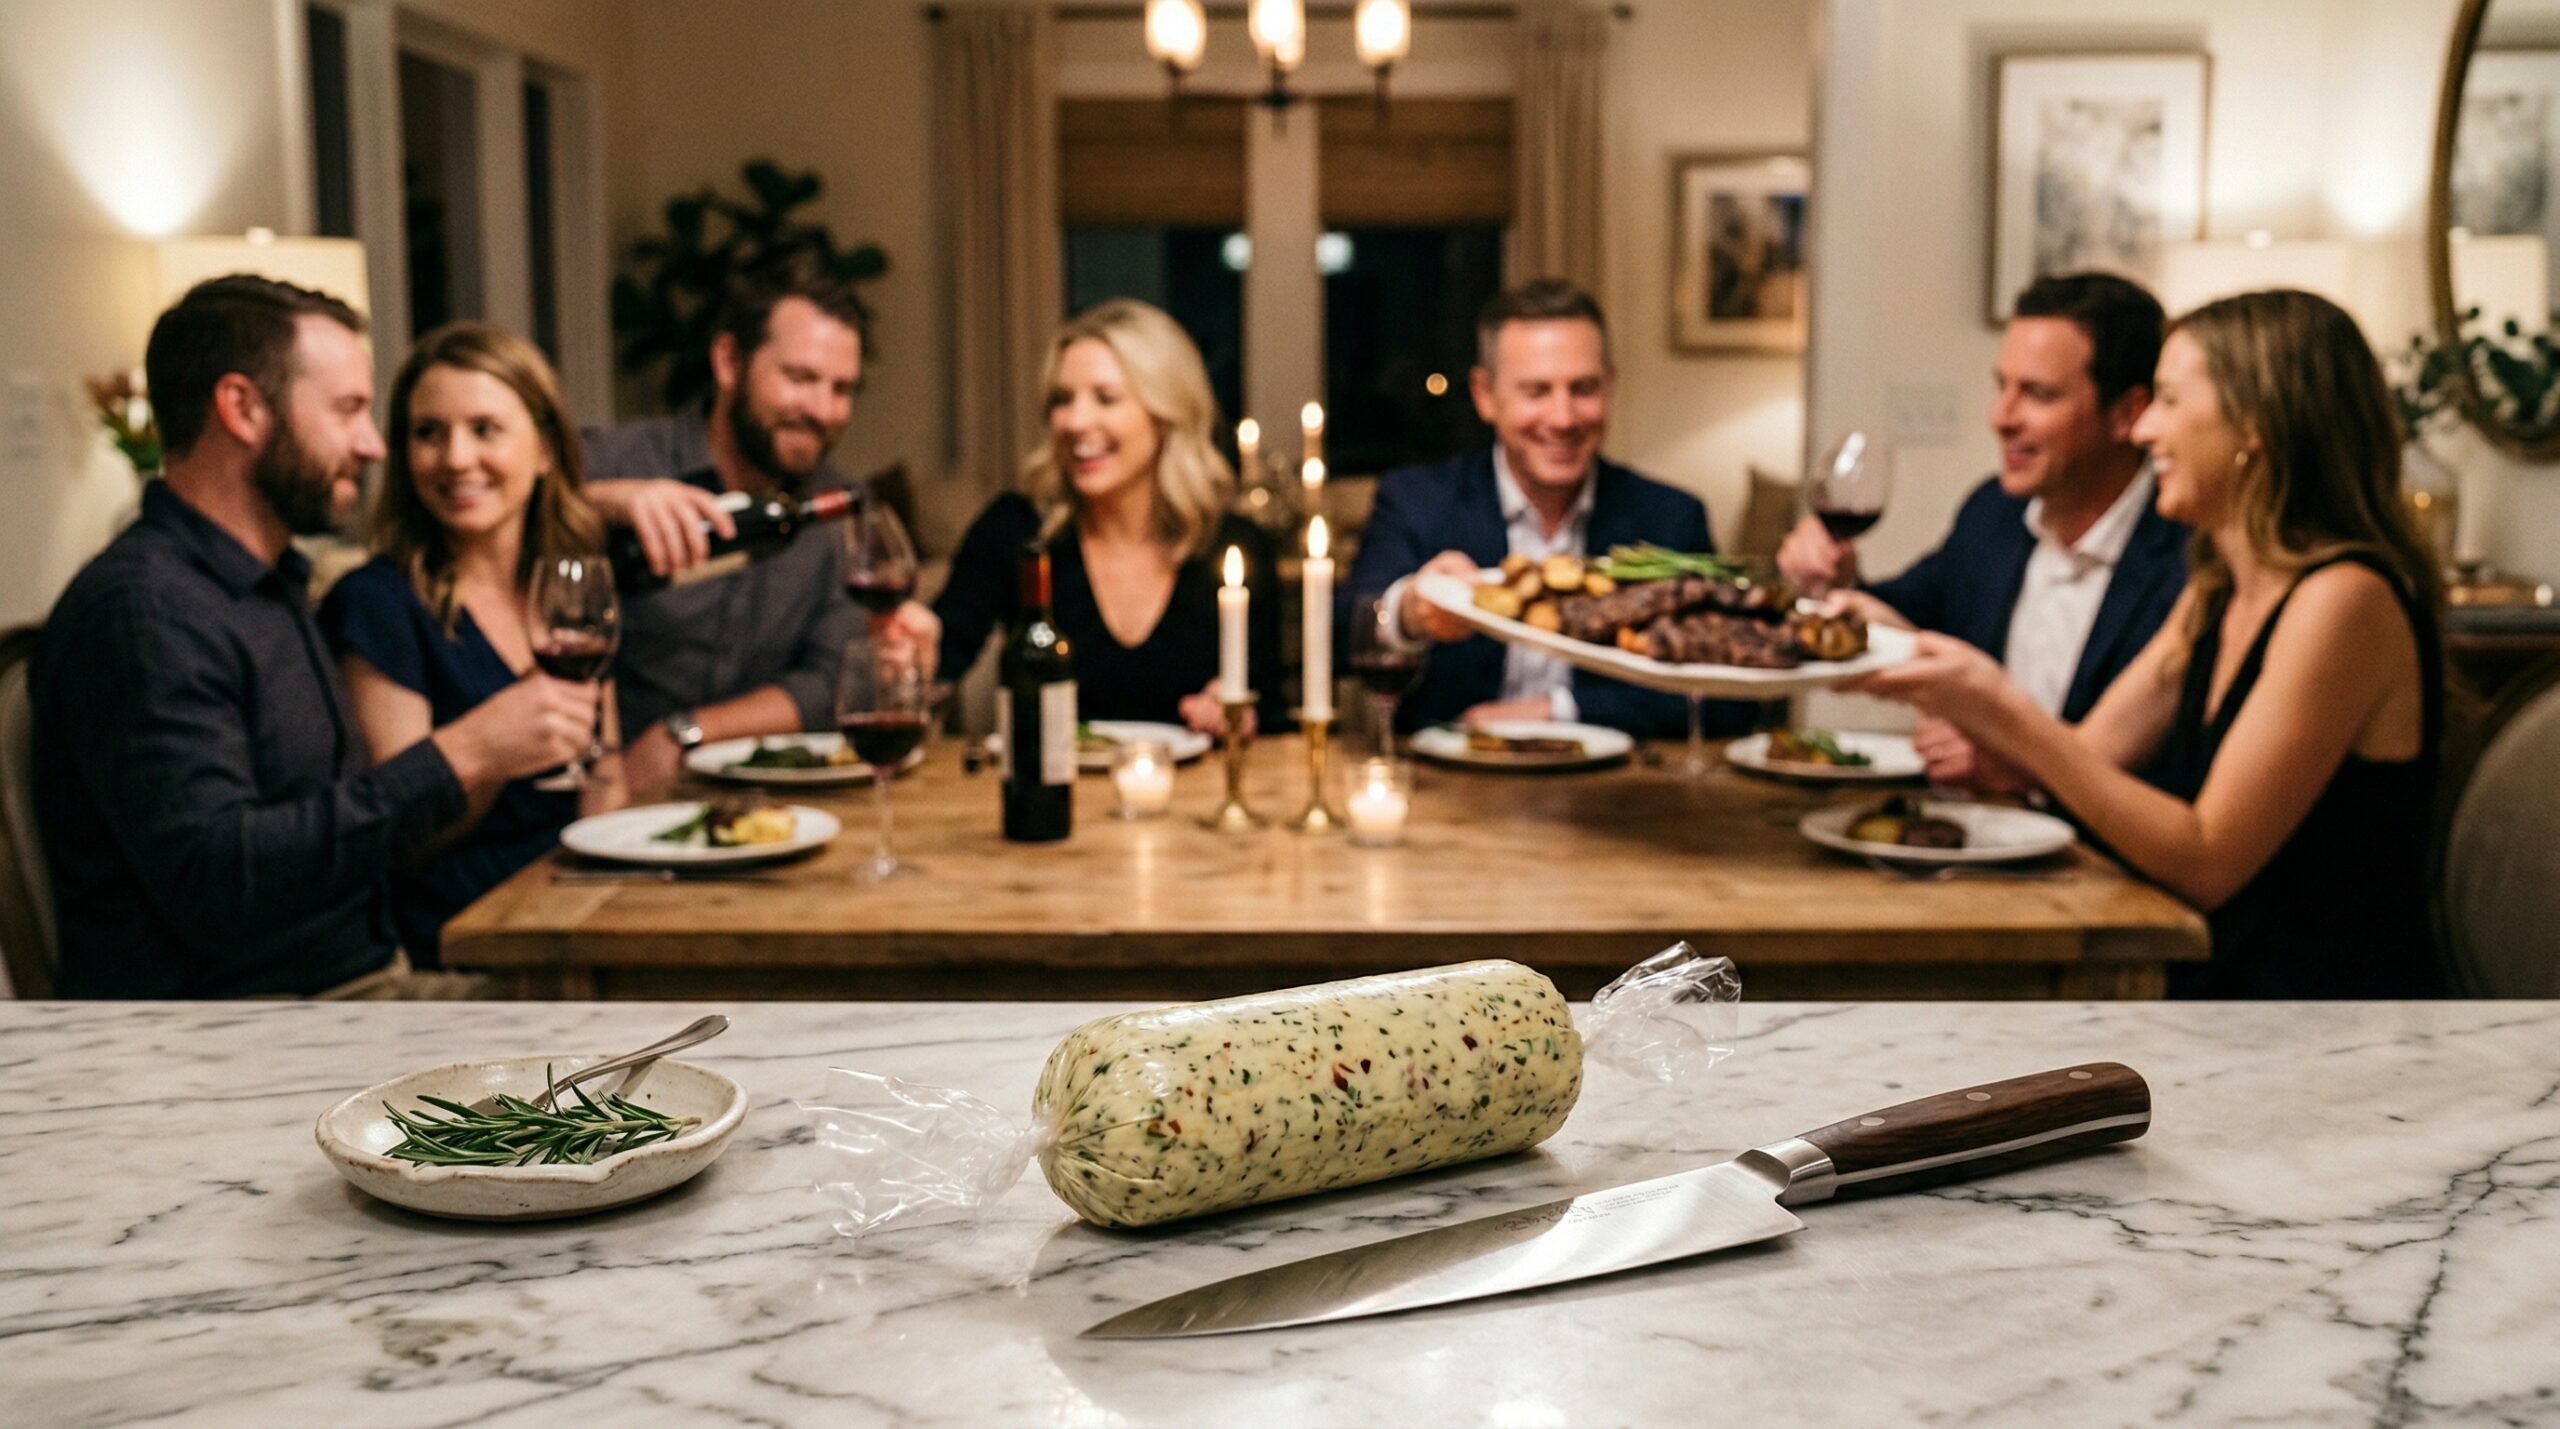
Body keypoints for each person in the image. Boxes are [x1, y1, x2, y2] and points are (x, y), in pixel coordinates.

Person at [1847, 289, 2444, 999]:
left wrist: (1992, 699)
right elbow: (2086, 763)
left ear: (2255, 423)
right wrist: (1916, 669)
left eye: (2167, 400)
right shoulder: (2218, 585)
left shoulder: (2344, 601)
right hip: (2195, 978)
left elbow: (2206, 858)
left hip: (2312, 1014)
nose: (2143, 429)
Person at [31, 277, 594, 998]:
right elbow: (218, 879)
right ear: (242, 409)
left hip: (358, 979)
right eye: (348, 410)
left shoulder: (271, 583)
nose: (372, 444)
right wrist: (467, 752)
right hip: (255, 1028)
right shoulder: (145, 611)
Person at [1780, 272, 2187, 790]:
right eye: (2002, 387)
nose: (2000, 417)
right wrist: (1835, 583)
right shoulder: (1992, 513)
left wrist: (2015, 764)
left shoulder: (2188, 555)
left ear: (2128, 413)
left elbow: (2175, 773)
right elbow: (1901, 617)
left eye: (2038, 394)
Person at [319, 322, 625, 965]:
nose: (456, 458)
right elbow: (402, 837)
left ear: (543, 450)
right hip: (461, 936)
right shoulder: (377, 601)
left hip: (570, 912)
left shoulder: (571, 582)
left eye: (484, 429)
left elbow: (604, 773)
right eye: (428, 433)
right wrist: (495, 750)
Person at [584, 253, 934, 795]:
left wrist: (684, 734)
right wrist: (607, 500)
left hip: (775, 804)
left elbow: (826, 680)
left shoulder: (838, 507)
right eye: (800, 378)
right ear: (728, 362)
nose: (822, 409)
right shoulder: (620, 462)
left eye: (842, 389)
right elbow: (507, 509)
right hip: (608, 804)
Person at [1347, 279, 1735, 738]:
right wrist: (1410, 611)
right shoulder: (1417, 502)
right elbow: (1342, 630)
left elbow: (1724, 700)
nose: (1563, 418)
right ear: (1485, 396)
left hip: (1619, 794)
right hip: (1451, 789)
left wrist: (1559, 710)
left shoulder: (1670, 516)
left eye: (1583, 388)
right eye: (1536, 392)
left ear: (1610, 387)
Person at [934, 299, 1282, 732]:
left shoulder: (1233, 546)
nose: (1076, 421)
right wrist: (908, 651)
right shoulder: (1018, 531)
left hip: (1192, 796)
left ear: (1166, 415)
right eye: (1062, 399)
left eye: (1106, 398)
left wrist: (1239, 716)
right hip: (1050, 797)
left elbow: (1271, 713)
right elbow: (936, 663)